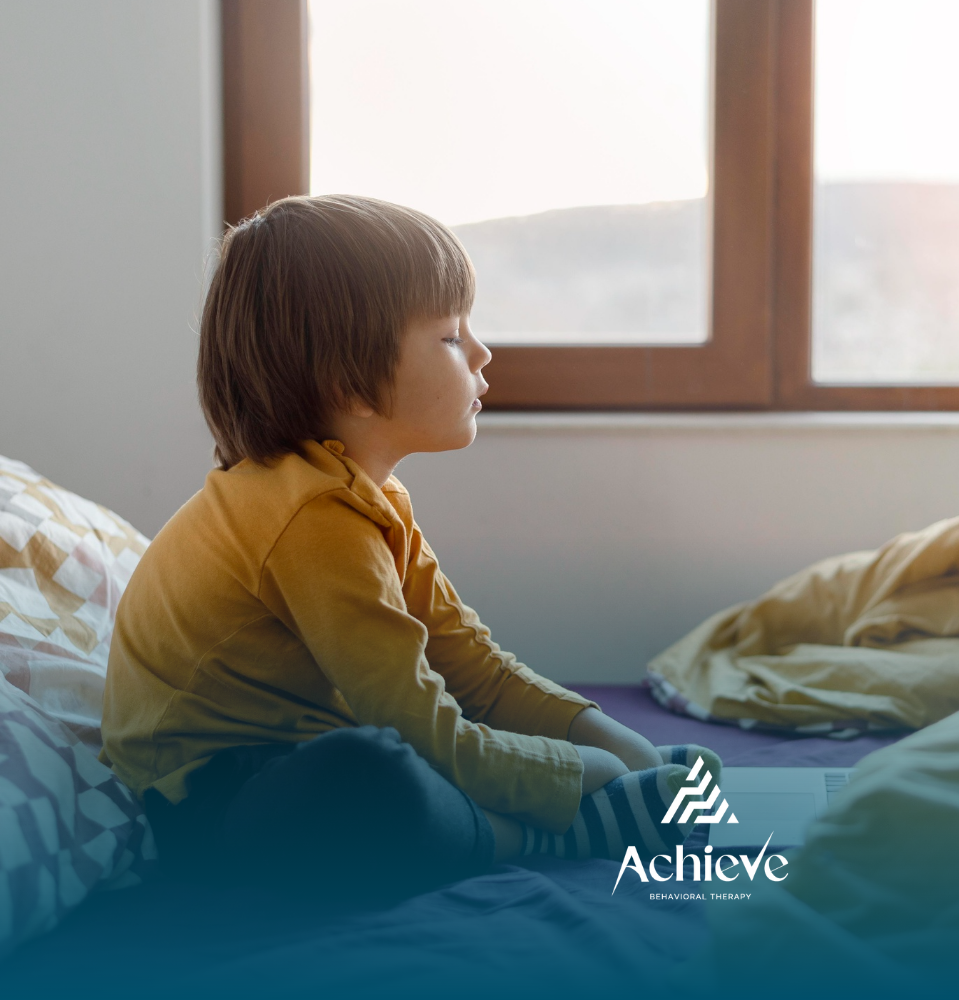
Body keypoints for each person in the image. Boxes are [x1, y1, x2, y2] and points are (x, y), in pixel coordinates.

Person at [100, 194, 719, 904]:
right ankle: (538, 834)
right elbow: (414, 718)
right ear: (350, 384)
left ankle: (545, 810)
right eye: (451, 336)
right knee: (372, 771)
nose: (482, 354)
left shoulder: (367, 497)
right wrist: (574, 774)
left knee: (402, 753)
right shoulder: (309, 517)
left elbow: (469, 665)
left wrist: (610, 741)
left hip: (296, 753)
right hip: (215, 807)